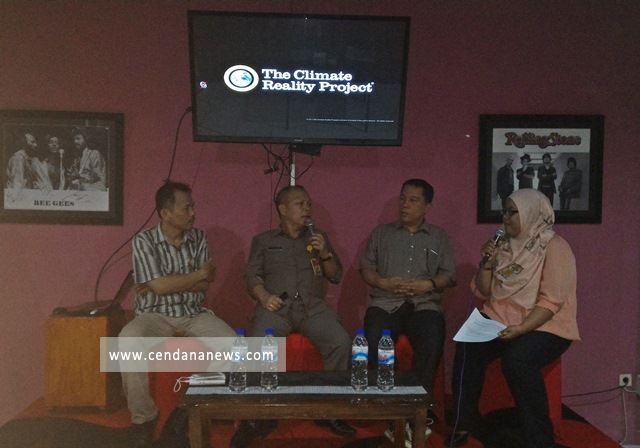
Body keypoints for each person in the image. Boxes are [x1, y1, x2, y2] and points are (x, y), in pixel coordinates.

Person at [446, 189, 579, 448]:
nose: (505, 217)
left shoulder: (554, 247)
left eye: (512, 212)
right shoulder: (503, 245)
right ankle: (465, 422)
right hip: (500, 319)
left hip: (545, 325)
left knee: (518, 360)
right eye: (504, 211)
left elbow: (551, 302)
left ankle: (539, 439)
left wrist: (522, 328)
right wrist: (487, 263)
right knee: (468, 345)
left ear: (531, 213)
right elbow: (484, 291)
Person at [230, 185, 354, 448]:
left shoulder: (318, 238)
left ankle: (330, 411)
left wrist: (325, 253)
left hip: (312, 306)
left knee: (341, 342)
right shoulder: (264, 240)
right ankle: (256, 417)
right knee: (259, 342)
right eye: (300, 204)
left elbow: (335, 275)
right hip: (277, 306)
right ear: (283, 209)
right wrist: (264, 297)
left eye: (309, 204)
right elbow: (251, 276)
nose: (307, 209)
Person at [119, 180, 235, 448]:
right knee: (127, 340)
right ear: (165, 213)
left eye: (193, 207)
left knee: (232, 344)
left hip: (194, 312)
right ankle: (143, 418)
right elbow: (162, 287)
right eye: (186, 208)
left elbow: (204, 284)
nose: (193, 213)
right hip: (154, 314)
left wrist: (166, 282)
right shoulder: (144, 240)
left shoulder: (199, 238)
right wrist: (196, 275)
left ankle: (186, 411)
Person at [360, 179, 456, 444]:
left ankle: (417, 408)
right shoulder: (381, 233)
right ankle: (393, 408)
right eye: (402, 198)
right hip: (386, 301)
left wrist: (428, 284)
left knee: (433, 337)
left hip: (424, 303)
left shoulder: (438, 236)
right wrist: (384, 283)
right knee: (374, 335)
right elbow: (366, 269)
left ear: (427, 206)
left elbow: (449, 275)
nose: (405, 205)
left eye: (413, 200)